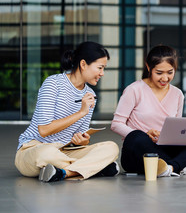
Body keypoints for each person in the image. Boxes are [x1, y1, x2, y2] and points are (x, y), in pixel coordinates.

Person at [15, 41, 120, 182]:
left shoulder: (90, 95)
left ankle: (64, 173)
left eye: (104, 68)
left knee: (111, 148)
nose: (102, 73)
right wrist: (81, 112)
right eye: (100, 68)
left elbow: (79, 138)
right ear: (83, 64)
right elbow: (44, 130)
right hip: (34, 148)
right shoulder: (53, 83)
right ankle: (94, 168)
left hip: (66, 151)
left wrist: (83, 140)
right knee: (46, 154)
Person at [111, 45, 186, 176]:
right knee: (136, 137)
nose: (165, 78)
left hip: (167, 149)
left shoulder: (177, 94)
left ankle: (171, 167)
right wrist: (146, 134)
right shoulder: (134, 90)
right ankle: (184, 166)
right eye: (159, 73)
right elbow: (116, 124)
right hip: (139, 152)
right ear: (149, 67)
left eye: (170, 72)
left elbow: (177, 127)